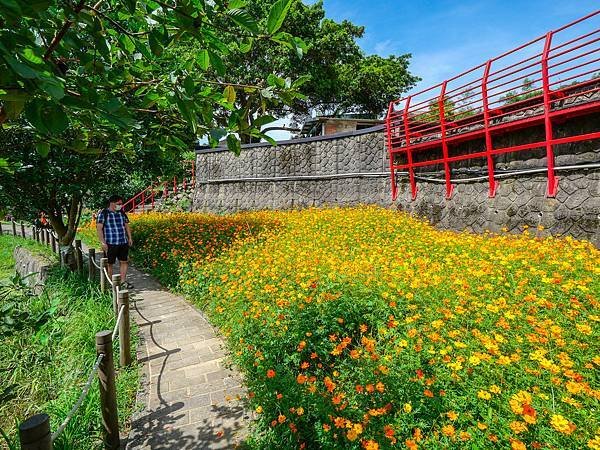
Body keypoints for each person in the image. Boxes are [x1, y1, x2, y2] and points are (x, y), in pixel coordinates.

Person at [96, 195, 133, 287]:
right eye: (118, 204)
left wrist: (130, 238)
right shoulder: (103, 213)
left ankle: (123, 281)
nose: (121, 205)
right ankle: (110, 283)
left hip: (123, 242)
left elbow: (126, 225)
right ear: (112, 203)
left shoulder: (122, 213)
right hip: (110, 243)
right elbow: (99, 229)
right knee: (109, 263)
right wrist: (102, 242)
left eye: (121, 203)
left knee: (124, 261)